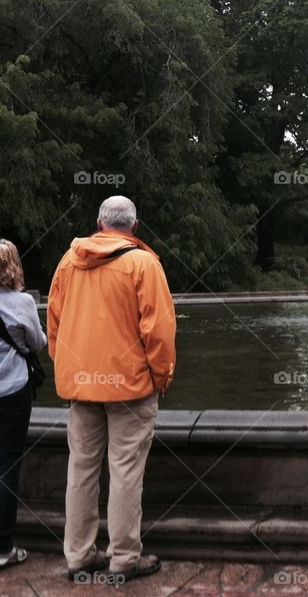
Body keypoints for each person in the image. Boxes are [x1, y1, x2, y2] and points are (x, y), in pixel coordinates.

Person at [47, 196, 176, 582]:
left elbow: (54, 325)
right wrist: (161, 377)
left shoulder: (68, 262)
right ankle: (123, 559)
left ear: (99, 223)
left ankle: (80, 555)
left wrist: (69, 368)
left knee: (81, 471)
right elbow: (160, 332)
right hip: (130, 388)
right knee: (125, 472)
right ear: (134, 227)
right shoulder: (143, 264)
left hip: (81, 386)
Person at [0, 240, 46, 570]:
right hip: (12, 390)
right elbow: (38, 344)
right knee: (7, 465)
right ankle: (3, 547)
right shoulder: (22, 303)